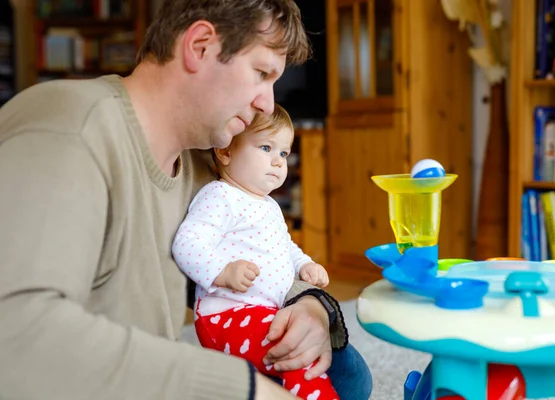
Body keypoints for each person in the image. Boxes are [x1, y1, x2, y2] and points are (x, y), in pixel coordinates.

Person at [0, 0, 372, 399]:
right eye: (261, 73)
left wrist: (313, 308)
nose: (268, 102)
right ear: (200, 47)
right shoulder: (69, 127)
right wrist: (244, 389)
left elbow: (266, 251)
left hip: (152, 368)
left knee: (347, 373)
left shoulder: (204, 161)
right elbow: (15, 338)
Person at [173, 104, 340, 399]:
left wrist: (304, 264)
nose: (278, 162)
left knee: (302, 350)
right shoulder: (220, 196)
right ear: (225, 152)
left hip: (261, 311)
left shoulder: (269, 205)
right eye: (266, 147)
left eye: (284, 153)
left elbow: (284, 246)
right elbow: (187, 241)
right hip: (226, 315)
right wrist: (221, 272)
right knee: (299, 354)